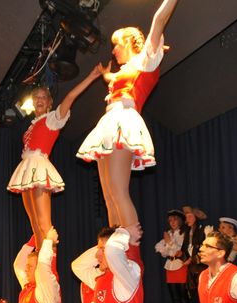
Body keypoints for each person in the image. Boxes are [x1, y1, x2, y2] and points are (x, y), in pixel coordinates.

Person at [76, 0, 180, 229]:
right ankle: (114, 241)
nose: (113, 51)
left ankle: (131, 244)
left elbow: (159, 20)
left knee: (118, 189)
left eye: (116, 45)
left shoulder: (146, 60)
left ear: (129, 42)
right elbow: (113, 79)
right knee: (108, 195)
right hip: (110, 122)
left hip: (124, 120)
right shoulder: (125, 70)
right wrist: (105, 75)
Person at [8, 69, 102, 244]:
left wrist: (91, 77)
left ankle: (50, 261)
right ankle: (39, 259)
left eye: (43, 97)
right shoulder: (31, 125)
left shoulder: (52, 119)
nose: (39, 100)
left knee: (44, 224)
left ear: (49, 103)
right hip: (26, 169)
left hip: (39, 167)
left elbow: (70, 97)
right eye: (36, 97)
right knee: (35, 225)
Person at [155, 209, 188, 303]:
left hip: (181, 265)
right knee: (174, 298)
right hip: (170, 266)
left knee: (183, 297)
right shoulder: (168, 233)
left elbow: (180, 250)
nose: (172, 222)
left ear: (180, 221)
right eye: (170, 220)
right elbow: (161, 250)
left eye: (175, 220)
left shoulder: (184, 234)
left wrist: (169, 242)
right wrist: (168, 245)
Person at [182, 206, 208, 303]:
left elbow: (205, 248)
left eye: (190, 216)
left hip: (201, 267)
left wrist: (192, 259)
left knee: (201, 291)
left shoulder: (203, 231)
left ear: (196, 217)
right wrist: (183, 257)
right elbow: (186, 249)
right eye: (186, 217)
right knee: (192, 292)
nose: (187, 219)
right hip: (192, 268)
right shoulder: (188, 232)